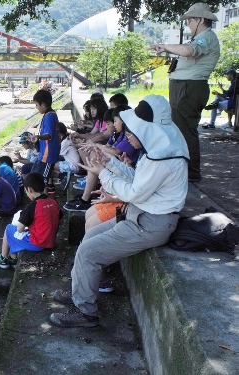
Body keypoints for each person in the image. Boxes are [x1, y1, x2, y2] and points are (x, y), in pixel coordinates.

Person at [50, 95, 189, 328]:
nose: (127, 137)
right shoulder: (157, 149)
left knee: (88, 252)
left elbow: (134, 192)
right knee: (89, 240)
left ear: (146, 131)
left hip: (149, 224)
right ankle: (79, 290)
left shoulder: (163, 158)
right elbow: (138, 180)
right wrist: (110, 163)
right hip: (139, 215)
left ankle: (86, 313)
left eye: (130, 133)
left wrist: (102, 172)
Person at [151, 2, 220, 182]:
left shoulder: (207, 37)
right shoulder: (200, 37)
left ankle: (191, 173)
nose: (188, 24)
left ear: (201, 20)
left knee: (185, 130)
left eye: (191, 20)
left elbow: (189, 51)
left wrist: (166, 46)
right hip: (185, 86)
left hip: (190, 87)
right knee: (180, 129)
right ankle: (185, 170)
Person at [0, 172, 62, 269]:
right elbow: (57, 217)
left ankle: (3, 258)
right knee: (21, 232)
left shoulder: (32, 207)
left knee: (9, 229)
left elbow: (19, 229)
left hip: (38, 244)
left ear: (29, 189)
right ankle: (13, 258)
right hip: (51, 241)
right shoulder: (54, 202)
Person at [29, 89, 61, 194]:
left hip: (48, 155)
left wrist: (38, 137)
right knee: (34, 174)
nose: (36, 107)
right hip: (43, 154)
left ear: (43, 105)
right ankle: (45, 192)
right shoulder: (49, 114)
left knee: (43, 179)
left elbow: (48, 135)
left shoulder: (49, 117)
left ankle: (44, 199)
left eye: (36, 105)